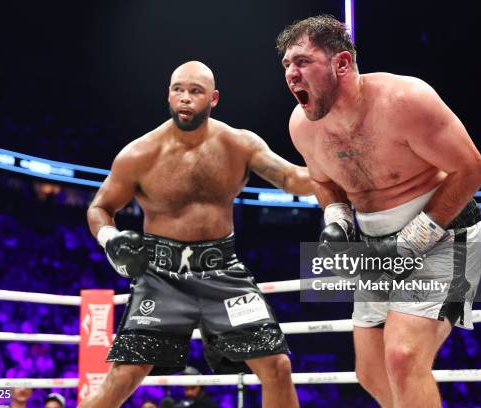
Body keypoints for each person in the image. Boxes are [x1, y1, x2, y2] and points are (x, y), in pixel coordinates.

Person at [277, 15, 481, 408]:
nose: (291, 73)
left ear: (341, 63)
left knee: (403, 356)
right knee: (371, 371)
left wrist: (415, 238)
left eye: (302, 61)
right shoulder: (302, 127)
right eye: (286, 65)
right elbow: (323, 179)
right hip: (375, 244)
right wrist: (337, 218)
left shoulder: (405, 100)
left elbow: (472, 169)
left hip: (444, 232)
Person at [79, 60, 312, 408]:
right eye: (178, 90)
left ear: (213, 98)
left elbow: (292, 179)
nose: (185, 98)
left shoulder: (239, 144)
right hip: (161, 276)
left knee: (276, 366)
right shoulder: (139, 154)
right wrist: (110, 240)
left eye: (195, 91)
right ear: (169, 95)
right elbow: (99, 208)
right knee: (123, 376)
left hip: (224, 274)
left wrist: (343, 170)